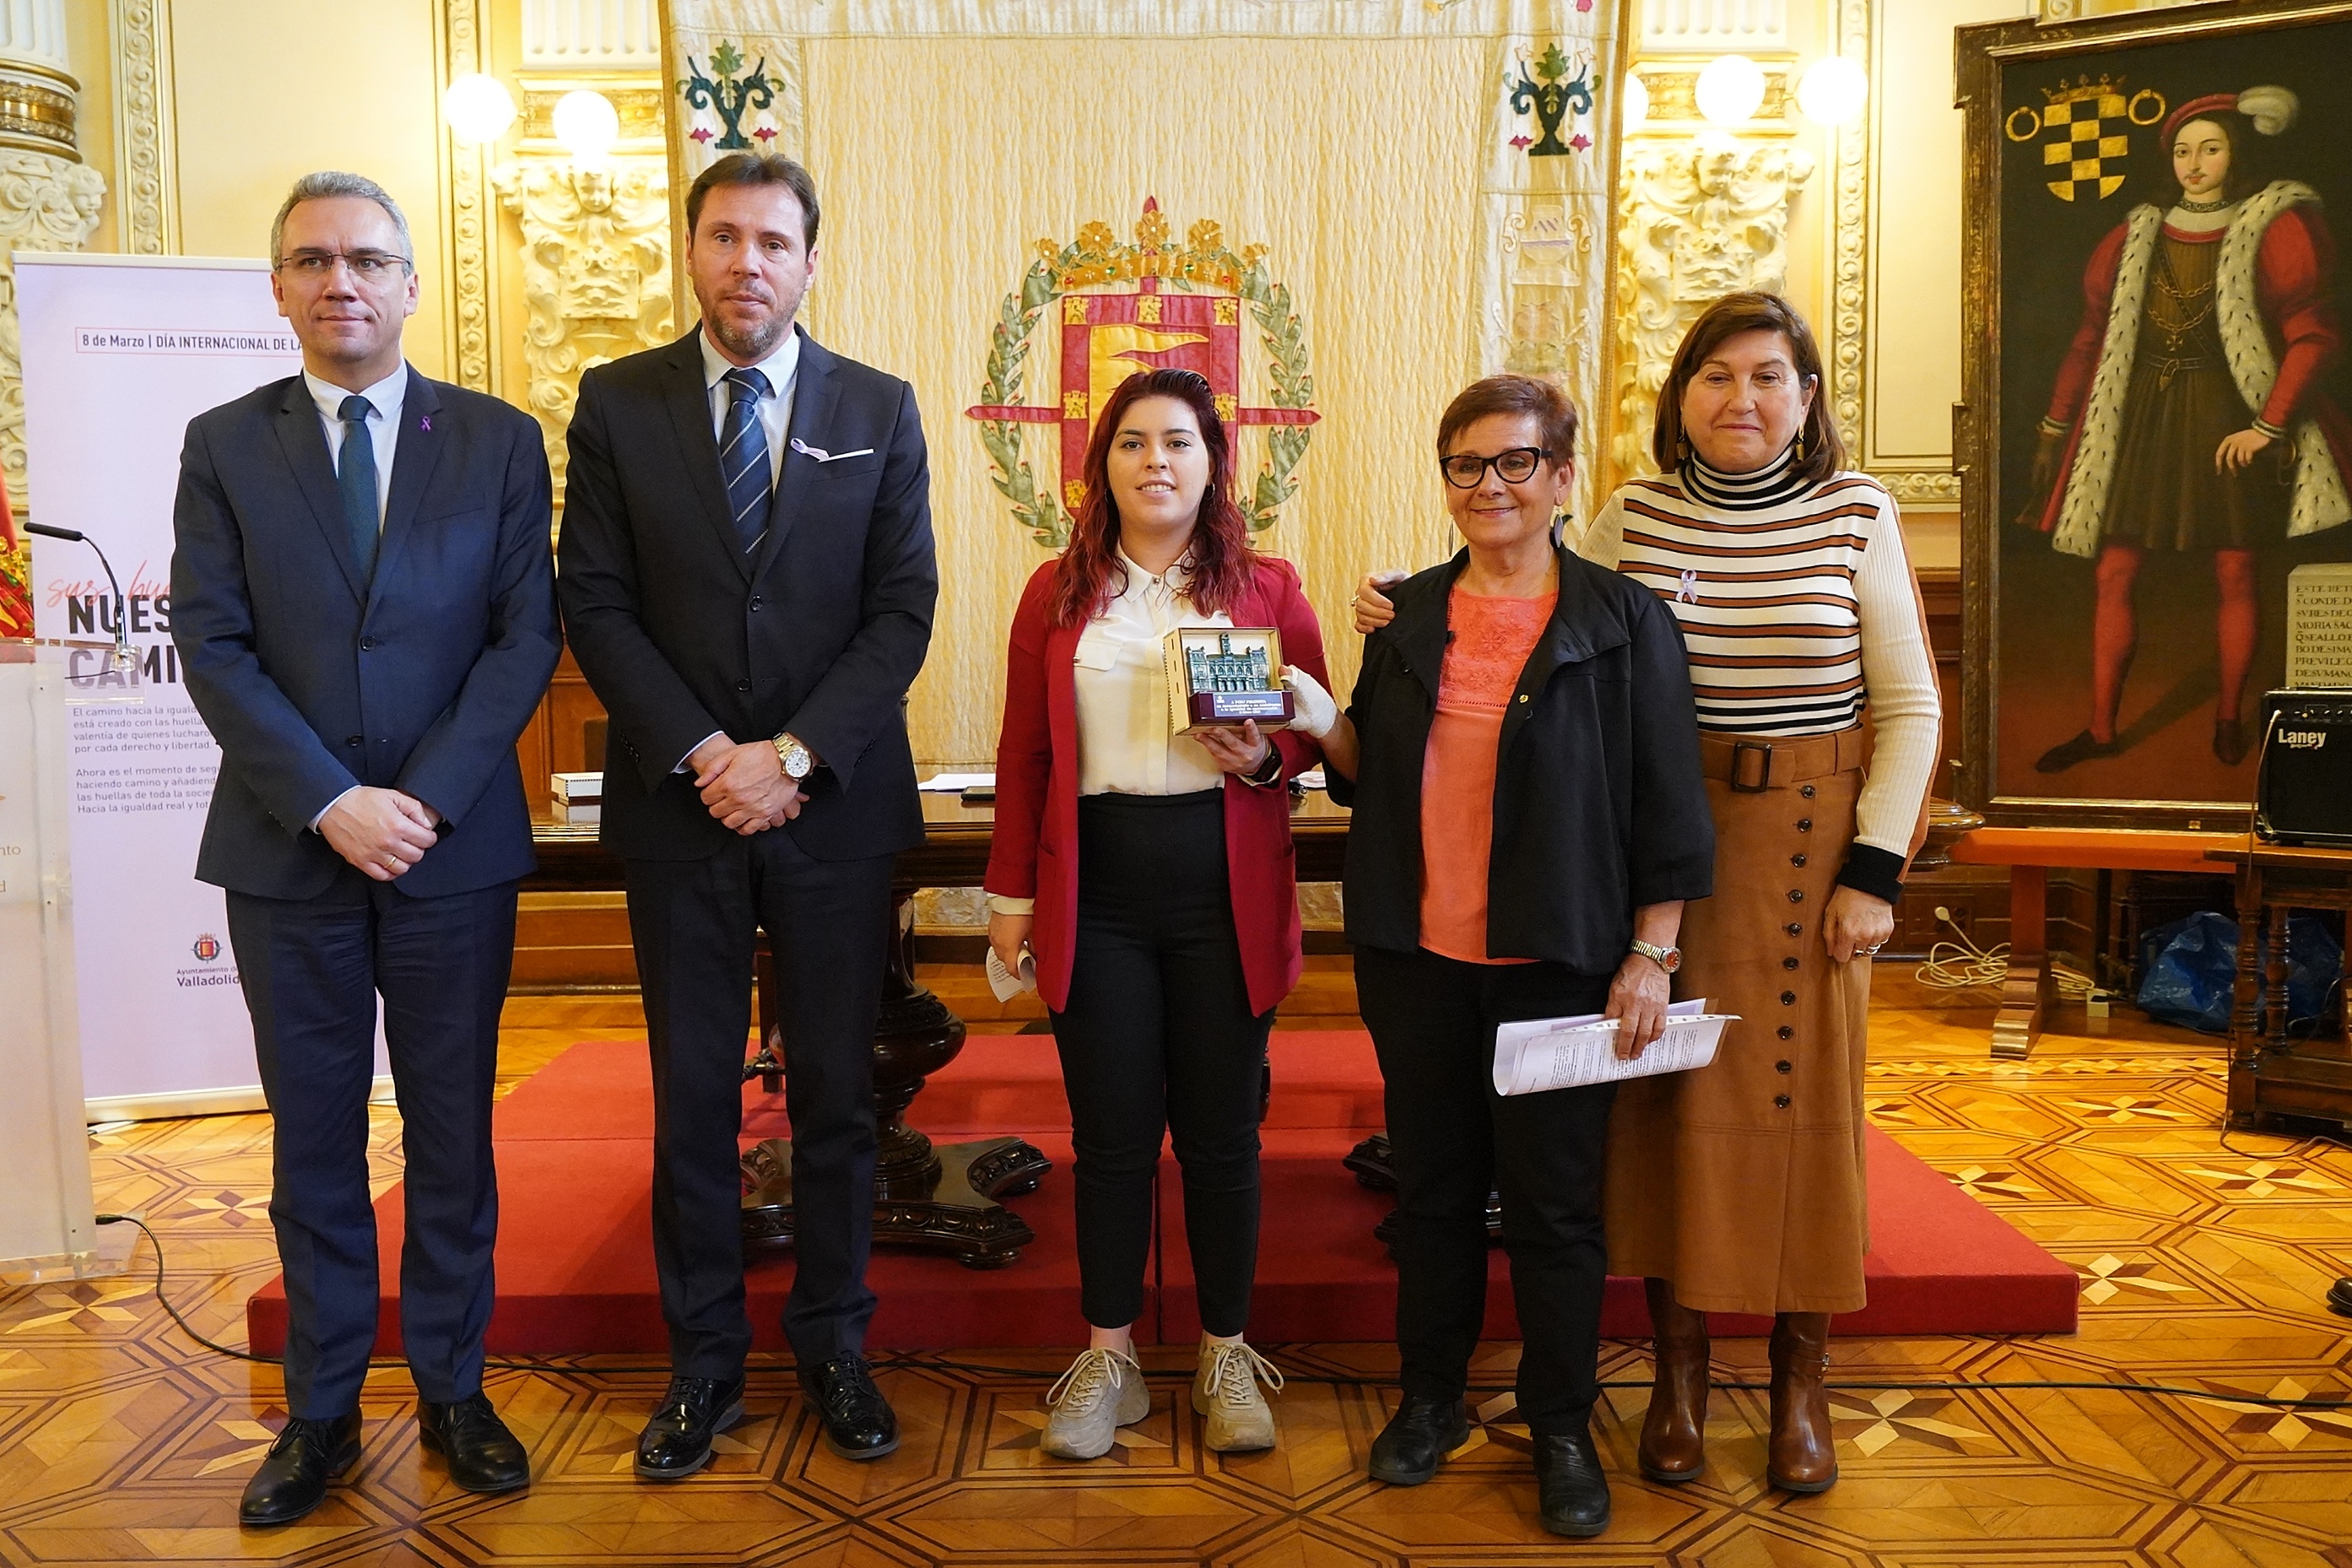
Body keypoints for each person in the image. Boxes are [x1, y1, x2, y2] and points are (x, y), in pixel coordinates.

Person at [1355, 293, 1942, 1495]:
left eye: (1767, 375)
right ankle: (1673, 1379)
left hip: (1795, 854)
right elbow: (1529, 603)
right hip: (1620, 856)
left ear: (1805, 393)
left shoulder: (1854, 510)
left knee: (1796, 1121)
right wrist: (1395, 606)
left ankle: (1792, 1380)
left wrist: (1872, 869)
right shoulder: (1639, 514)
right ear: (1679, 396)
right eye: (1714, 376)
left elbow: (1909, 704)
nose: (1741, 398)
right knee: (1658, 1124)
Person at [172, 171, 560, 1525]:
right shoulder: (225, 444)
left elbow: (524, 636)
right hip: (292, 851)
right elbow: (211, 642)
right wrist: (332, 798)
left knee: (454, 1133)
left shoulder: (498, 441)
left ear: (409, 284)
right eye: (313, 259)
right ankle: (322, 1410)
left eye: (366, 259)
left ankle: (455, 1388)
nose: (341, 280)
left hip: (451, 853)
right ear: (279, 286)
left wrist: (425, 798)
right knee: (315, 1143)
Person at [556, 152, 937, 1478]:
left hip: (829, 810)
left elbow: (901, 608)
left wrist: (789, 755)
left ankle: (834, 1343)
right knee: (691, 1101)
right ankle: (703, 1364)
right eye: (723, 237)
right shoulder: (617, 403)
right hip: (681, 809)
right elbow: (594, 600)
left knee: (835, 1094)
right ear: (691, 252)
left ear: (809, 261)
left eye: (773, 241)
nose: (747, 263)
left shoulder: (878, 407)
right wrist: (710, 753)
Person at [1313, 374, 1714, 1537]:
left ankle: (1558, 1425)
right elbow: (1363, 773)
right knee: (1431, 1196)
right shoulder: (1405, 615)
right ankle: (1428, 1398)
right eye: (1464, 464)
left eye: (1514, 461)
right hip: (1416, 958)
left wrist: (1650, 953)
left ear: (1561, 476)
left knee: (1551, 1209)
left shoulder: (1622, 619)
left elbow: (1666, 802)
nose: (1488, 485)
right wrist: (1307, 715)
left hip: (1558, 961)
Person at [983, 368, 1332, 1461]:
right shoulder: (1055, 592)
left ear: (1212, 461)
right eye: (1132, 442)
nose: (1155, 462)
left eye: (1177, 441)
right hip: (1097, 890)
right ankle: (1109, 1357)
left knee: (1222, 1136)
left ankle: (1225, 1351)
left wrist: (1263, 755)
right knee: (1110, 1138)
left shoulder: (1265, 588)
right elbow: (1023, 755)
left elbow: (1315, 736)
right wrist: (1009, 900)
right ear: (1102, 465)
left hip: (1222, 887)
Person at [2026, 84, 2349, 774]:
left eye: (2209, 149)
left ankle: (2227, 717)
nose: (2193, 164)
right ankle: (2101, 728)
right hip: (2140, 414)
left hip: (2227, 414)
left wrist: (2267, 425)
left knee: (2234, 569)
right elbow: (2090, 337)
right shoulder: (2134, 234)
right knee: (2115, 571)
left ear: (2236, 154)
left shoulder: (2275, 224)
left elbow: (2314, 337)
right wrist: (2056, 420)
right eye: (2181, 151)